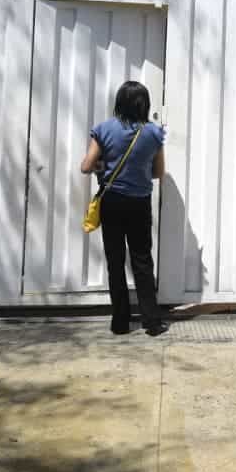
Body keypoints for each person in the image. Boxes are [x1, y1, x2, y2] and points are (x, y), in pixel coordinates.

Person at [81, 81, 169, 336]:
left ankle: (120, 321)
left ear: (119, 102)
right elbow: (159, 172)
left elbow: (86, 167)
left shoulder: (104, 129)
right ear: (145, 104)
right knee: (142, 260)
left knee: (115, 261)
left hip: (112, 202)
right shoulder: (154, 133)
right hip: (139, 203)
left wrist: (103, 167)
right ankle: (152, 322)